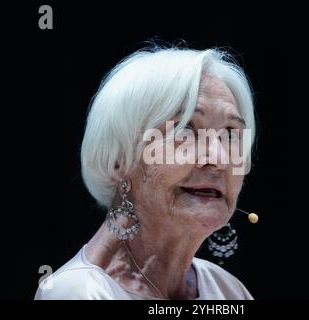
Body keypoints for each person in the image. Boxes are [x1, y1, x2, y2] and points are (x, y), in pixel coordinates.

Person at [35, 45, 257, 300]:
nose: (219, 159)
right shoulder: (78, 292)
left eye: (230, 134)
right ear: (118, 160)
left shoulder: (228, 291)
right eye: (186, 129)